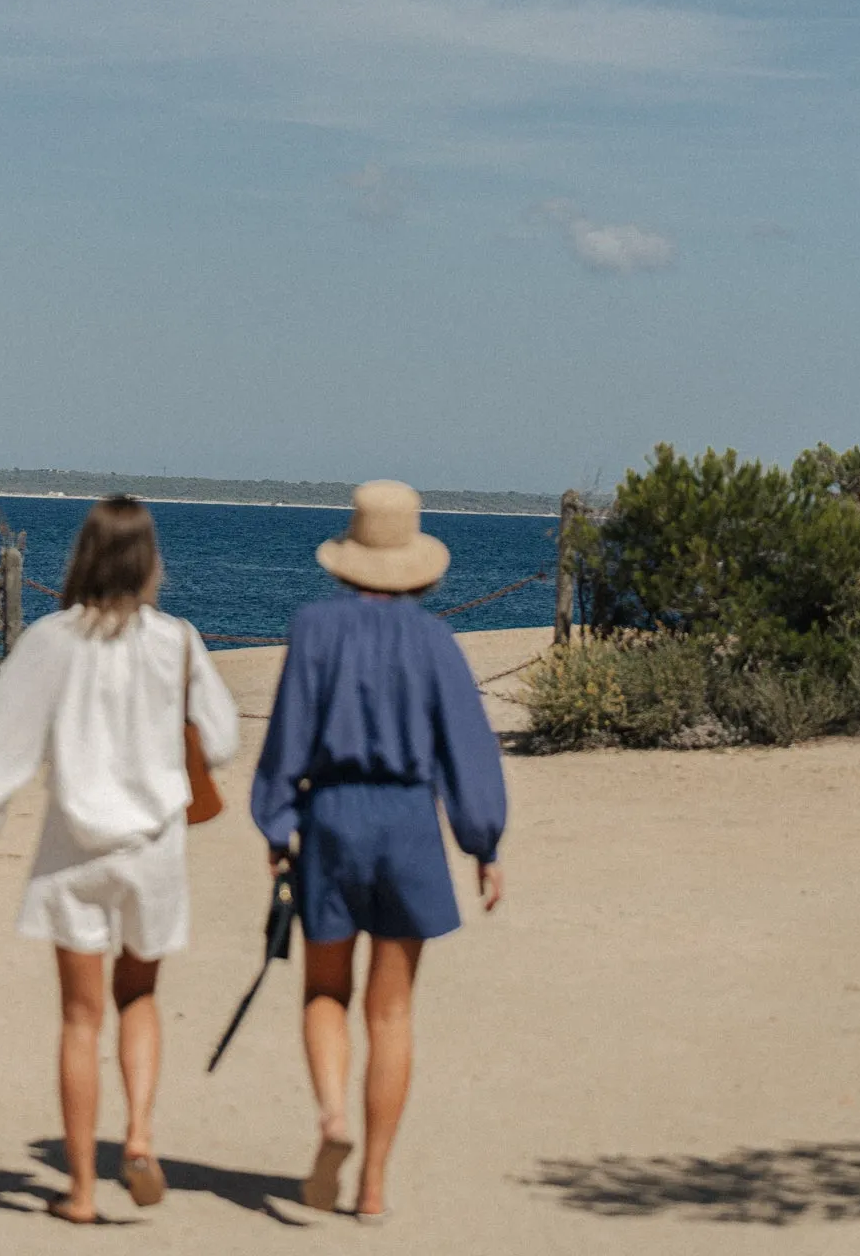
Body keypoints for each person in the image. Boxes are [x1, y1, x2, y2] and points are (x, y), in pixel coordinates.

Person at [0, 495, 240, 1224]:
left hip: (73, 851)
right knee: (138, 998)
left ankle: (77, 1190)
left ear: (83, 556)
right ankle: (137, 1136)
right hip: (154, 850)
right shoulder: (177, 641)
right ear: (148, 563)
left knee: (80, 1019)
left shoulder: (52, 640)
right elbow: (222, 739)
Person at [251, 479, 507, 1224]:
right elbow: (466, 751)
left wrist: (276, 826)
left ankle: (331, 1116)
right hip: (406, 824)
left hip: (331, 816)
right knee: (389, 1012)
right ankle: (372, 1187)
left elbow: (286, 740)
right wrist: (482, 843)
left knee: (325, 991)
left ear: (344, 558)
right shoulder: (435, 642)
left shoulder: (312, 630)